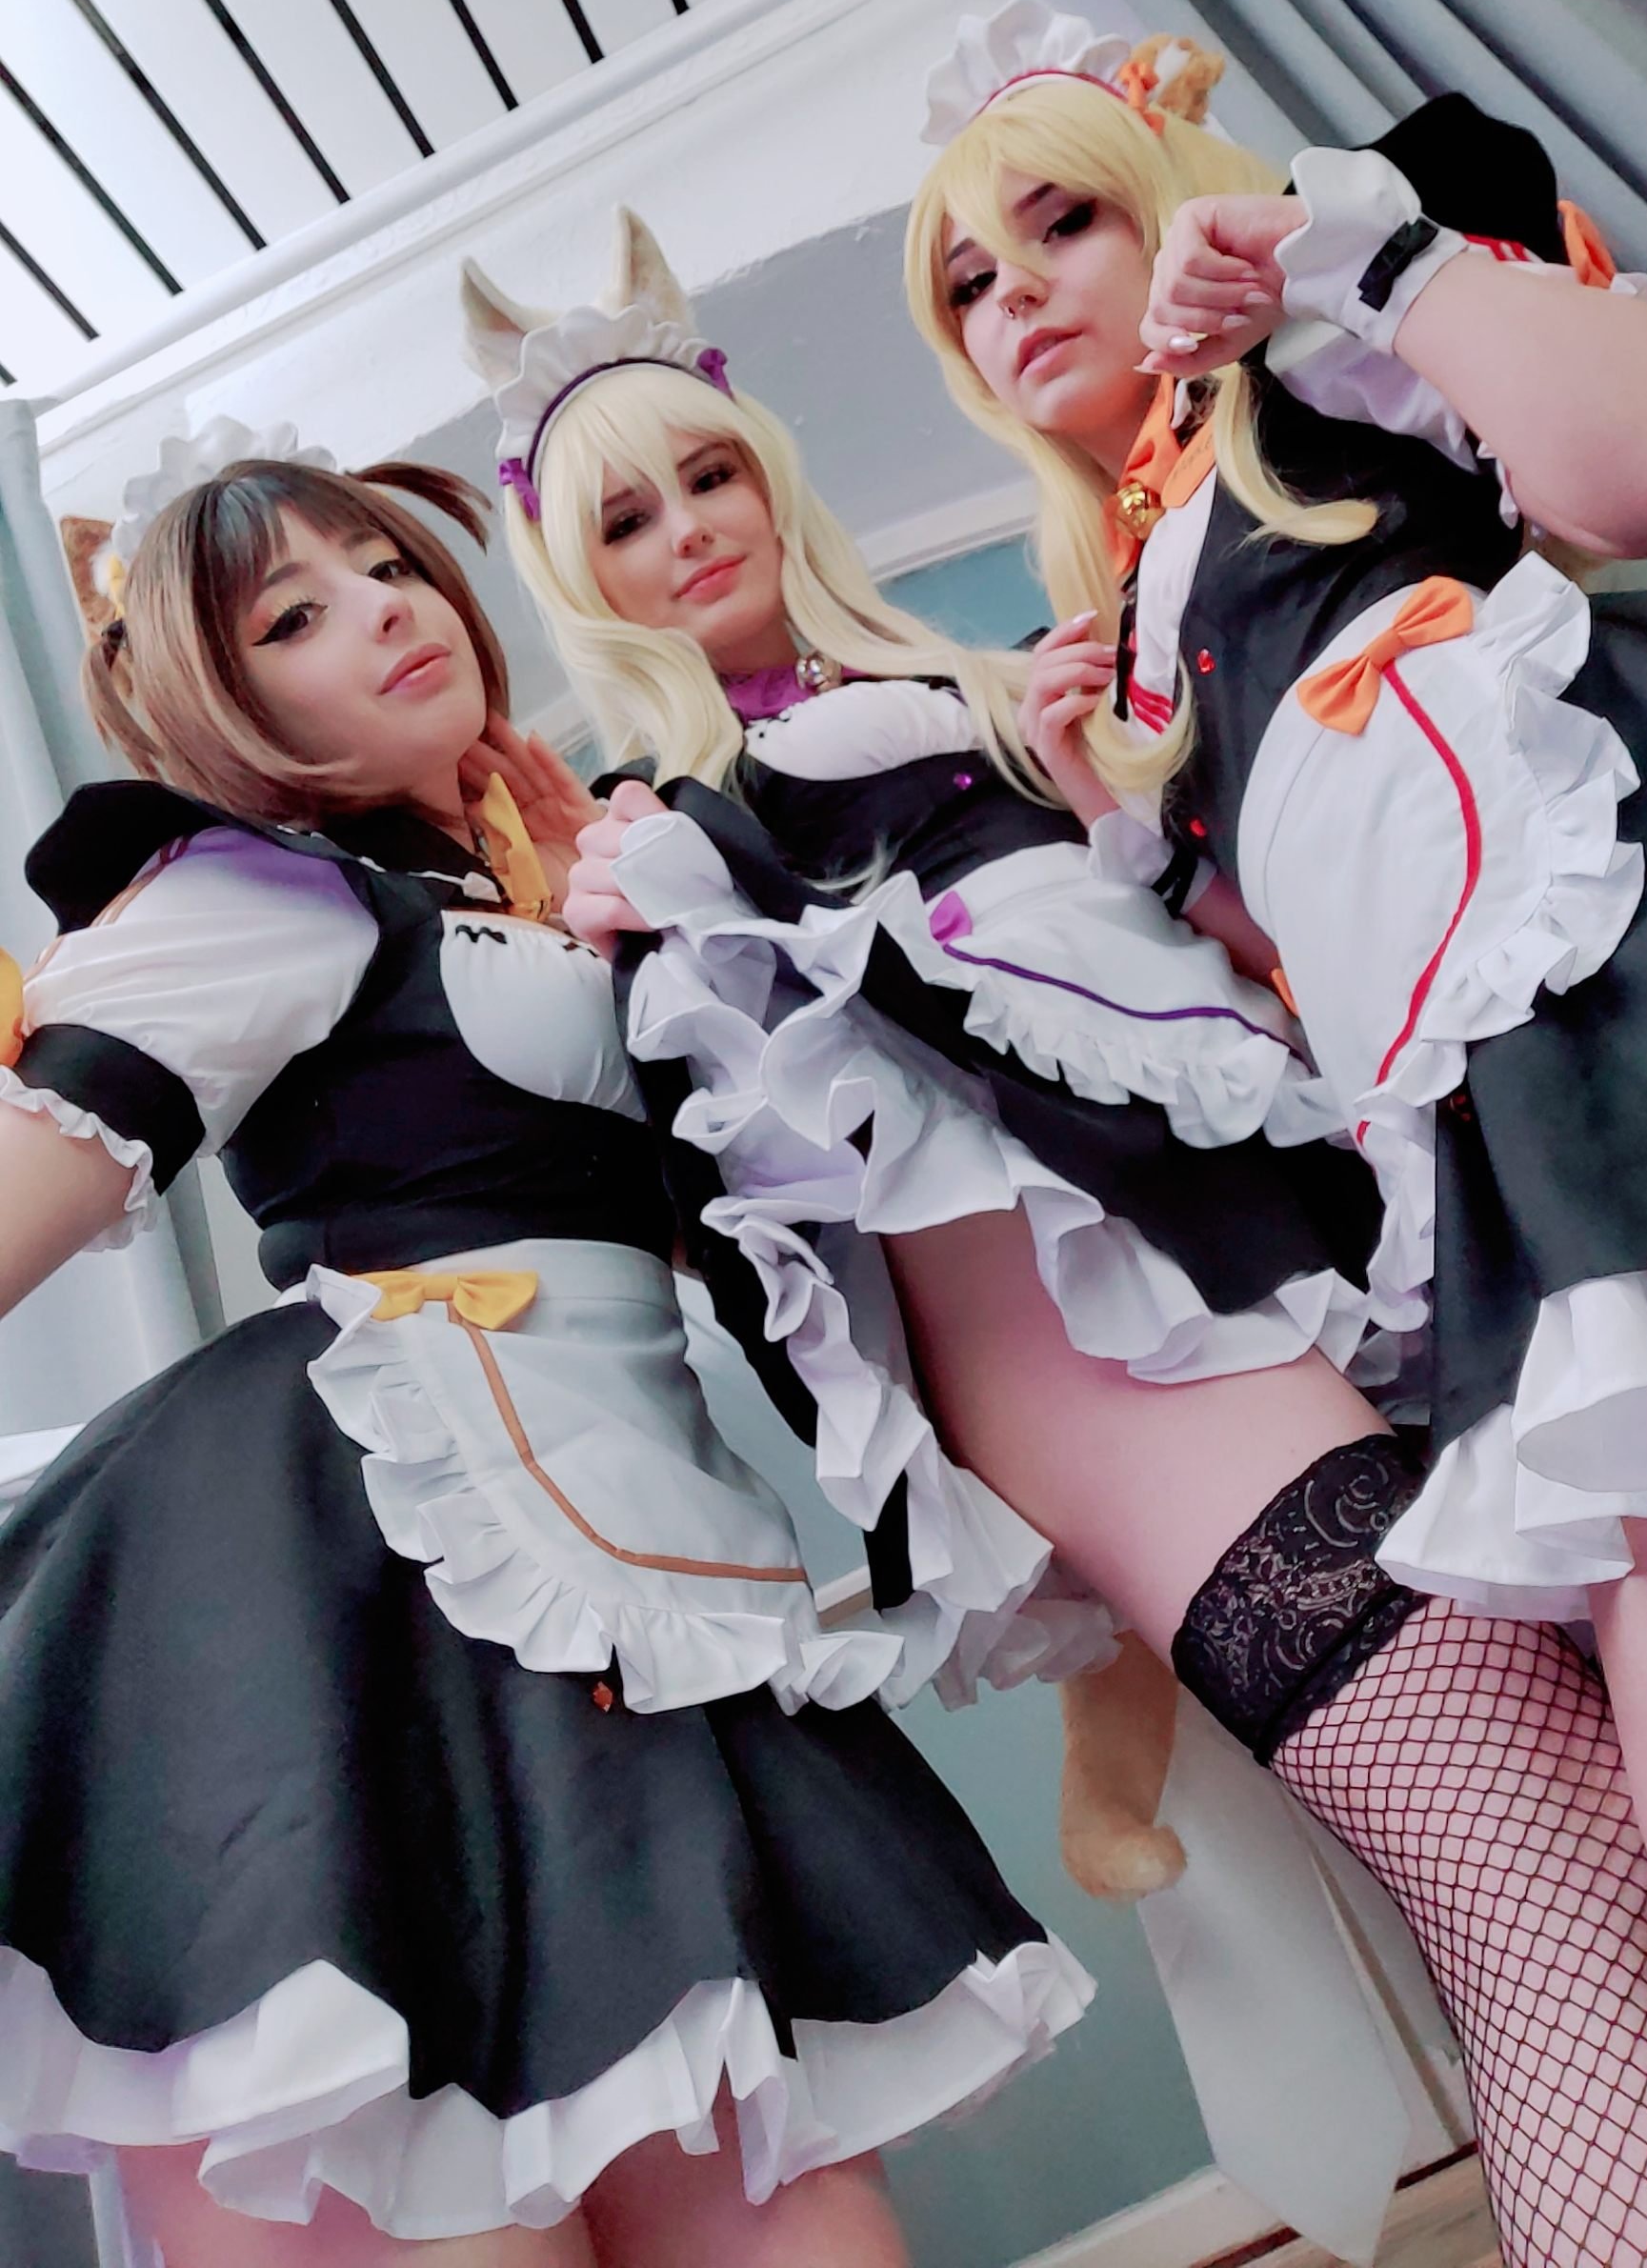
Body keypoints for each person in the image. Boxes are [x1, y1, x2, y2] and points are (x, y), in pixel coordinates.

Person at [470, 220, 1647, 2268]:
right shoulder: (672, 843)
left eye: (706, 473)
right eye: (624, 519)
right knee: (1555, 1888)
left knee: (1623, 1876)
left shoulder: (1000, 692)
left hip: (1336, 1320)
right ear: (577, 577)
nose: (686, 534)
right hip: (1130, 1391)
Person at [0, 429, 1094, 2268]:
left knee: (796, 2213)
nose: (382, 610)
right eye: (292, 616)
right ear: (223, 705)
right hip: (358, 1580)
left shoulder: (547, 891)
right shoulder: (256, 898)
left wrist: (663, 927)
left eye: (387, 568)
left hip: (639, 1565)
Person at [906, 0, 1647, 1988]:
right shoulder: (1129, 609)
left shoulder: (1320, 345)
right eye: (967, 280)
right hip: (1520, 1141)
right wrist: (1117, 813)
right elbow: (1285, 969)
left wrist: (1372, 253)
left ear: (1171, 196)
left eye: (1061, 220)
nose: (1013, 292)